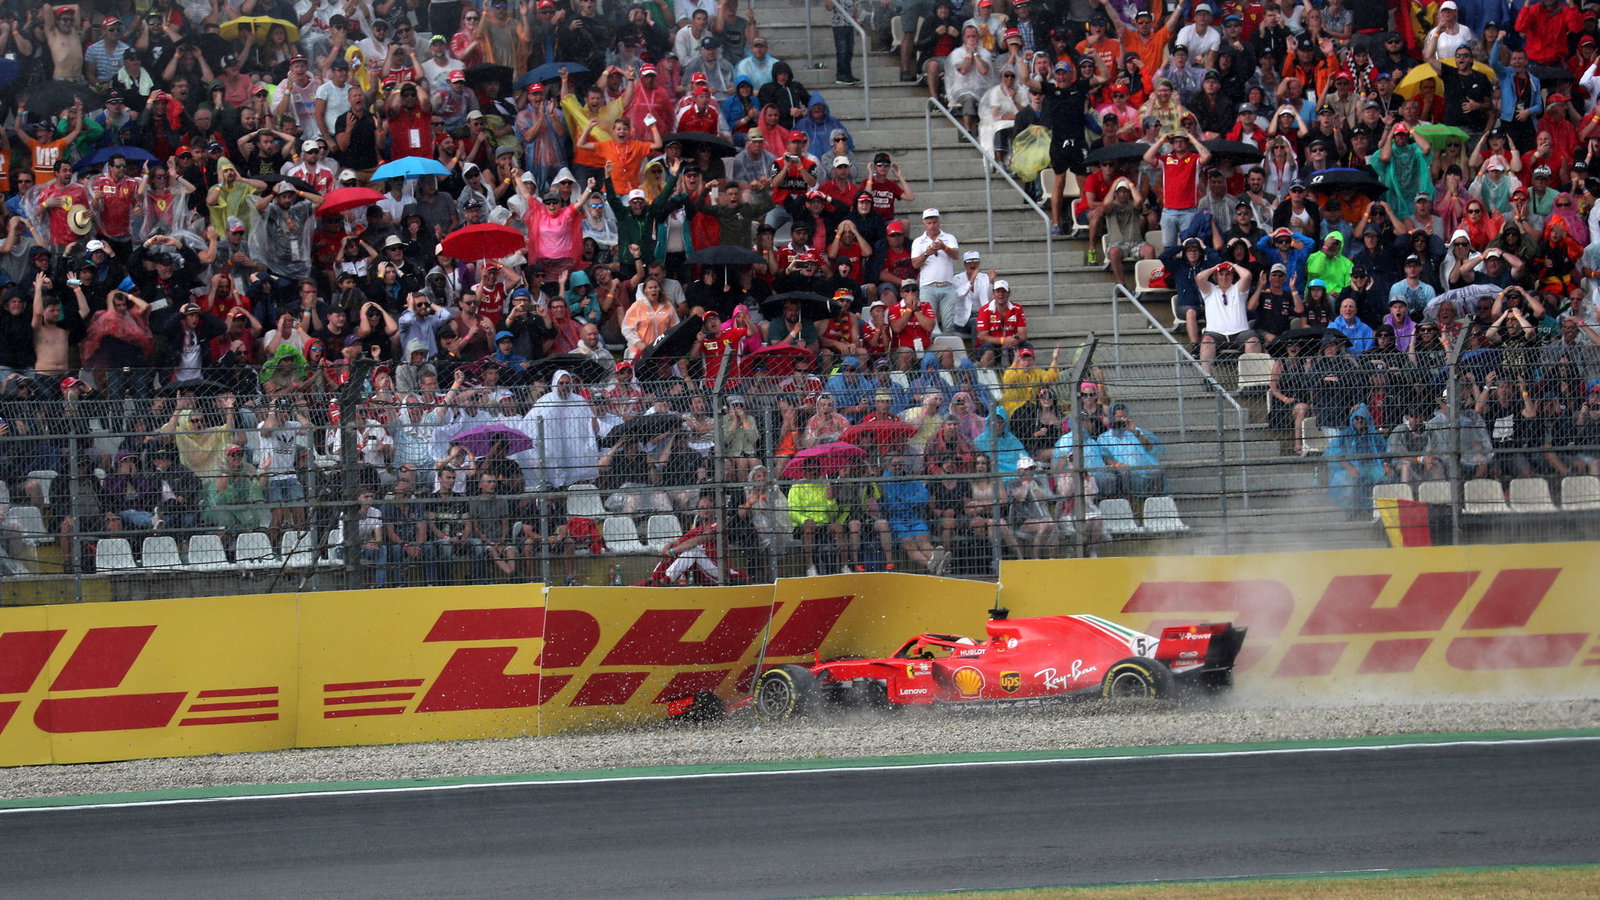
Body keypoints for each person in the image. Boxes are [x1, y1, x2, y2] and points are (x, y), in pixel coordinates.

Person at [1195, 259, 1261, 378]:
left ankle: (1252, 380)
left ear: (1232, 276)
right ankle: (1208, 379)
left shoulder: (1238, 289)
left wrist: (1233, 265)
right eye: (1221, 274)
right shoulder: (1210, 290)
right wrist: (1215, 267)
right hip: (1216, 334)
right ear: (1216, 276)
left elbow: (1247, 276)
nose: (1224, 277)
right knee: (1206, 341)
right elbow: (1199, 278)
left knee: (1253, 340)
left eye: (1228, 274)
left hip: (1240, 333)